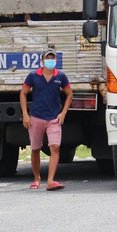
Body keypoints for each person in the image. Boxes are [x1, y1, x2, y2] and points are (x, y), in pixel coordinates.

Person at [20, 48, 73, 191]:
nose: (50, 61)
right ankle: (37, 178)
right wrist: (25, 114)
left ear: (56, 61)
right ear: (42, 61)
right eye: (47, 59)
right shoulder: (33, 75)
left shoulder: (60, 76)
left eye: (53, 58)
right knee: (36, 148)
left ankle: (50, 181)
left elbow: (69, 94)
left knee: (55, 147)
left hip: (54, 118)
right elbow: (23, 93)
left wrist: (63, 113)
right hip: (36, 117)